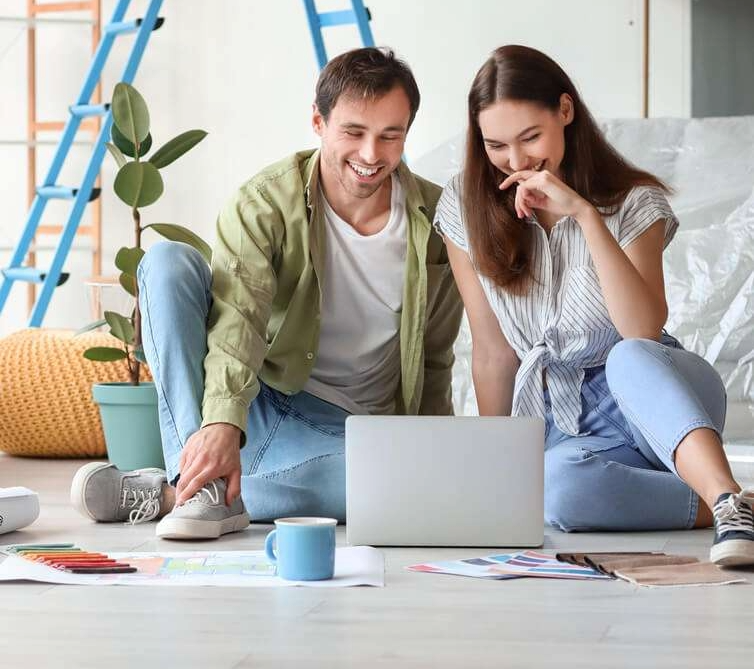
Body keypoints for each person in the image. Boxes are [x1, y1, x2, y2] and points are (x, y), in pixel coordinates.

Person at [71, 47, 463, 538]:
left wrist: (440, 458)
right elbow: (238, 318)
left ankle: (181, 493)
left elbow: (434, 356)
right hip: (255, 397)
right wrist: (221, 423)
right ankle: (204, 481)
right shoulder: (264, 203)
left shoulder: (438, 220)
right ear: (318, 122)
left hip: (349, 430)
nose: (371, 155)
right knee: (167, 263)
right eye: (354, 132)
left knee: (402, 487)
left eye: (390, 136)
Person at [434, 44, 754, 567]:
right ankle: (729, 510)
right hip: (562, 418)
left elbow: (643, 327)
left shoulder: (633, 201)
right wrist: (495, 473)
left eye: (530, 138)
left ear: (565, 112)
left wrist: (584, 215)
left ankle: (726, 497)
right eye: (496, 145)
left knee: (627, 354)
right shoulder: (464, 206)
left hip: (656, 393)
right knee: (557, 491)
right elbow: (493, 352)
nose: (516, 162)